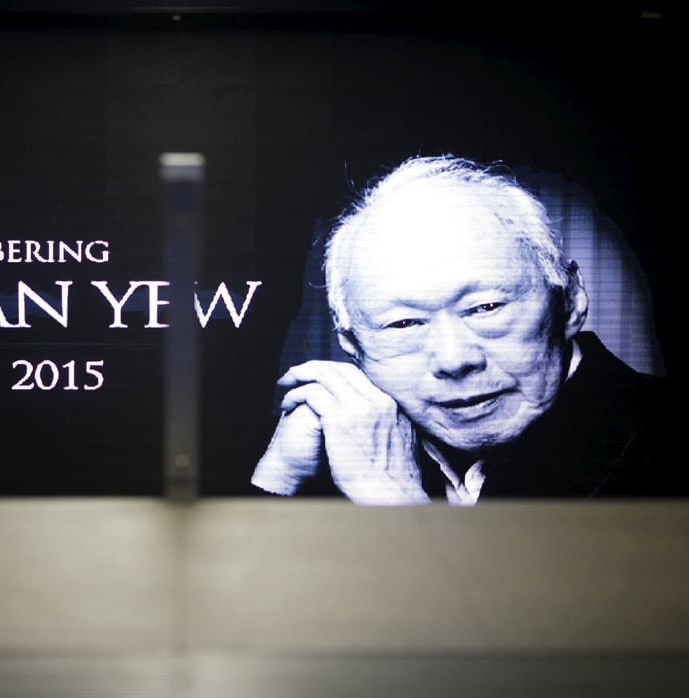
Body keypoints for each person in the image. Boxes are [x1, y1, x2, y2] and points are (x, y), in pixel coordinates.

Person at [252, 155, 677, 505]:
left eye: (485, 308)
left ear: (569, 302)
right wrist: (281, 477)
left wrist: (396, 508)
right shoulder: (333, 456)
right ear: (353, 346)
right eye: (403, 323)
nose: (454, 360)